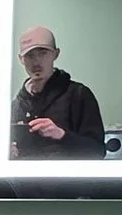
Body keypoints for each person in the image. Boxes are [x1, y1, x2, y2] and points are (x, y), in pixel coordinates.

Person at [9, 26, 106, 159]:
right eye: (30, 55)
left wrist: (62, 135)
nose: (36, 61)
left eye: (43, 53)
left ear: (56, 54)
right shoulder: (16, 106)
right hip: (26, 173)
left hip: (68, 173)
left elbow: (98, 151)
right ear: (21, 59)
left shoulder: (79, 95)